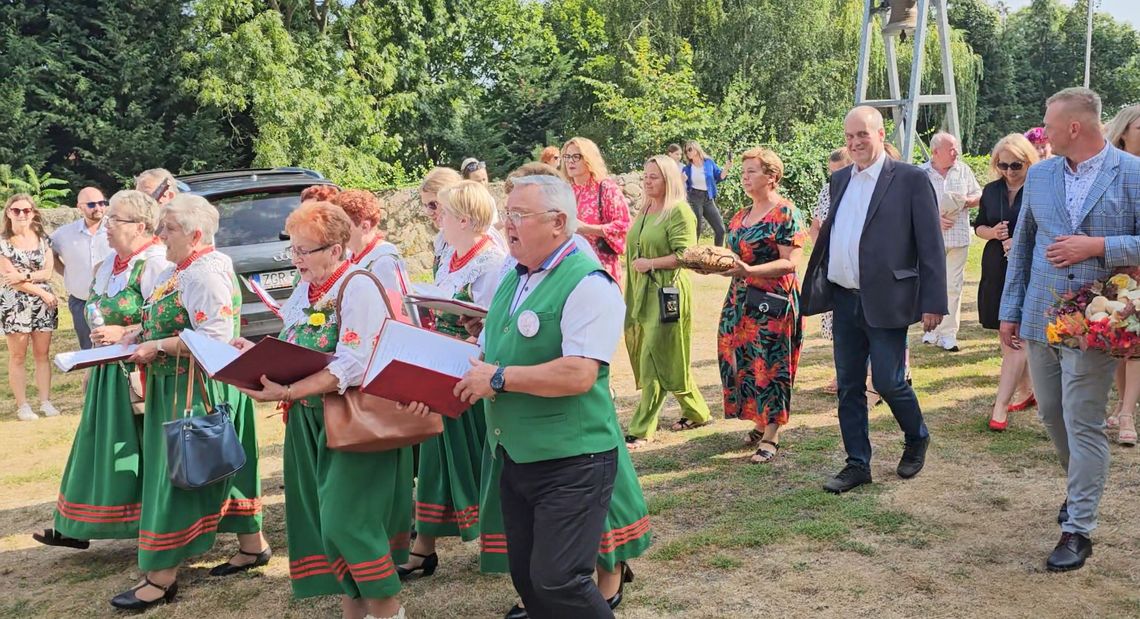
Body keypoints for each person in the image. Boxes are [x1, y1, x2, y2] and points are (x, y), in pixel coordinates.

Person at [453, 174, 644, 618]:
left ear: (559, 222)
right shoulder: (516, 276)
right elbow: (493, 348)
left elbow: (579, 374)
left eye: (519, 216)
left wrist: (498, 378)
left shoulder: (589, 283)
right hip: (518, 455)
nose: (507, 226)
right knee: (527, 576)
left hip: (573, 459)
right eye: (508, 216)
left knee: (560, 578)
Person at [237, 201, 410, 619]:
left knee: (346, 522)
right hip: (309, 420)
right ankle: (355, 611)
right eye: (292, 250)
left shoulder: (357, 285)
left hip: (355, 422)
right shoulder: (308, 288)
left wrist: (292, 389)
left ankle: (390, 612)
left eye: (304, 250)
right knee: (323, 523)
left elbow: (353, 362)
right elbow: (296, 344)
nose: (295, 259)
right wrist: (250, 356)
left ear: (336, 248)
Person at [1000, 87, 1140, 572]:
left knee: (1082, 421)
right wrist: (1010, 310)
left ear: (1074, 127)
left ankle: (1078, 528)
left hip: (1096, 322)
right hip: (1041, 315)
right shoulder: (1040, 176)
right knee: (1053, 416)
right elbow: (1022, 248)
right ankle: (1081, 486)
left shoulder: (1134, 174)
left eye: (1050, 123)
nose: (1044, 130)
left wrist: (1098, 245)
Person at [112, 194, 267, 610]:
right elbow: (174, 315)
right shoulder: (186, 268)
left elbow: (212, 338)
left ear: (196, 235)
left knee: (182, 470)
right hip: (179, 383)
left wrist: (157, 344)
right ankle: (253, 544)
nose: (160, 234)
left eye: (170, 228)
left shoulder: (206, 273)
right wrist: (137, 333)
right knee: (215, 463)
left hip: (193, 387)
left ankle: (161, 577)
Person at [801, 105, 947, 494]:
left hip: (888, 298)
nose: (855, 143)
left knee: (888, 380)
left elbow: (931, 246)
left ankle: (916, 436)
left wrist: (935, 301)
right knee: (849, 385)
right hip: (845, 300)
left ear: (881, 134)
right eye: (849, 137)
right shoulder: (840, 180)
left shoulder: (911, 179)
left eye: (862, 134)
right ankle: (856, 463)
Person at [34, 190, 169, 549]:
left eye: (116, 220)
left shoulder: (155, 263)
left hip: (140, 373)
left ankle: (148, 525)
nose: (107, 225)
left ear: (140, 226)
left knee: (135, 449)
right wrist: (92, 365)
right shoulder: (110, 264)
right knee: (95, 445)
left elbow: (166, 320)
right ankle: (76, 525)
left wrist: (124, 332)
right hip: (106, 371)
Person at [397, 181, 503, 579]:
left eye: (442, 211)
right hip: (443, 366)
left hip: (470, 373)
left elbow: (496, 323)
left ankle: (499, 543)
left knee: (476, 462)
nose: (436, 218)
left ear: (465, 218)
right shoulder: (453, 257)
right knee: (435, 458)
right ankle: (424, 547)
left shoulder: (490, 262)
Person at [717, 148, 806, 464]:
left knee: (771, 363)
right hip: (740, 300)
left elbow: (790, 263)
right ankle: (757, 417)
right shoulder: (740, 215)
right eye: (743, 172)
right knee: (739, 358)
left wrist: (750, 271)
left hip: (772, 303)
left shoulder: (785, 213)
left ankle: (772, 433)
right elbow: (733, 258)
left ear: (772, 177)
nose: (745, 176)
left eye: (752, 171)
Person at [622, 155, 711, 449]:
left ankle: (641, 427)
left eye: (654, 177)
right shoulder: (647, 208)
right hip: (641, 292)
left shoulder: (679, 212)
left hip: (666, 293)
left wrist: (651, 263)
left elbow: (687, 255)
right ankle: (697, 412)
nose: (647, 182)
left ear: (668, 180)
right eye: (645, 176)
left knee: (653, 357)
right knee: (669, 356)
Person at [975, 135, 1039, 431]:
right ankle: (1027, 391)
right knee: (1004, 333)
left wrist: (1020, 242)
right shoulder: (991, 191)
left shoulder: (1040, 189)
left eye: (1016, 165)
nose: (1010, 171)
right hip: (996, 266)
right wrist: (994, 233)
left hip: (1028, 267)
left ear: (1028, 161)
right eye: (1003, 165)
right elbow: (979, 226)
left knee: (1016, 336)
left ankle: (1000, 405)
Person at [920, 131, 982, 352]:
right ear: (936, 152)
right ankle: (930, 330)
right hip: (929, 240)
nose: (956, 152)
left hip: (958, 238)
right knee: (929, 285)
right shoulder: (921, 173)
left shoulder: (963, 170)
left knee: (953, 286)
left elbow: (979, 195)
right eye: (951, 149)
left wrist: (966, 201)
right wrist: (932, 219)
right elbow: (911, 206)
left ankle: (948, 334)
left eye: (956, 148)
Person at [0, 194, 60, 421]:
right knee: (18, 355)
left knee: (42, 354)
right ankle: (22, 405)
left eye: (26, 210)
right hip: (16, 303)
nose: (22, 214)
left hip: (43, 304)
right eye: (16, 210)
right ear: (8, 213)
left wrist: (24, 275)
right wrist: (41, 290)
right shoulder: (3, 242)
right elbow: (9, 278)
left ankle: (45, 401)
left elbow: (47, 271)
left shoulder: (43, 238)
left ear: (33, 212)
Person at [1104, 104, 1140, 445]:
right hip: (1119, 268)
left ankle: (1128, 413)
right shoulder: (1111, 171)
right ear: (1124, 132)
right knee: (1119, 342)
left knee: (1138, 344)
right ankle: (1120, 402)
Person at [809, 148, 854, 393]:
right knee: (837, 324)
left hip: (854, 266)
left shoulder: (859, 190)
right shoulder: (826, 191)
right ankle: (841, 375)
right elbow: (815, 226)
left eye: (839, 172)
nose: (834, 177)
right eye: (831, 173)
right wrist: (821, 248)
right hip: (831, 264)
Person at [561, 137, 632, 285]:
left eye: (576, 156)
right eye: (567, 156)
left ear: (589, 159)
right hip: (570, 266)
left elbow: (624, 226)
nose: (570, 161)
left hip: (600, 266)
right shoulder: (566, 190)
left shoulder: (606, 188)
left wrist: (587, 228)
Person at [49, 186, 111, 350]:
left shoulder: (115, 229)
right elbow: (50, 254)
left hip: (112, 300)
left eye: (102, 203)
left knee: (115, 349)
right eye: (91, 204)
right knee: (88, 348)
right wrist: (68, 274)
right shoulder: (63, 234)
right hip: (81, 301)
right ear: (80, 207)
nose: (98, 208)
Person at [331, 189, 412, 306]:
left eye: (343, 226)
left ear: (364, 227)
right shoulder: (350, 256)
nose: (337, 232)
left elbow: (397, 309)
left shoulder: (384, 261)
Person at [682, 140, 731, 246]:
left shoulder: (709, 163)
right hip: (694, 198)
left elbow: (720, 177)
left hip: (708, 198)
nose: (688, 152)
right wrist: (682, 180)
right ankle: (692, 257)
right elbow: (679, 187)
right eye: (686, 151)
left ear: (696, 148)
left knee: (720, 230)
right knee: (696, 229)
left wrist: (727, 167)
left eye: (690, 149)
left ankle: (717, 255)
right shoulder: (687, 169)